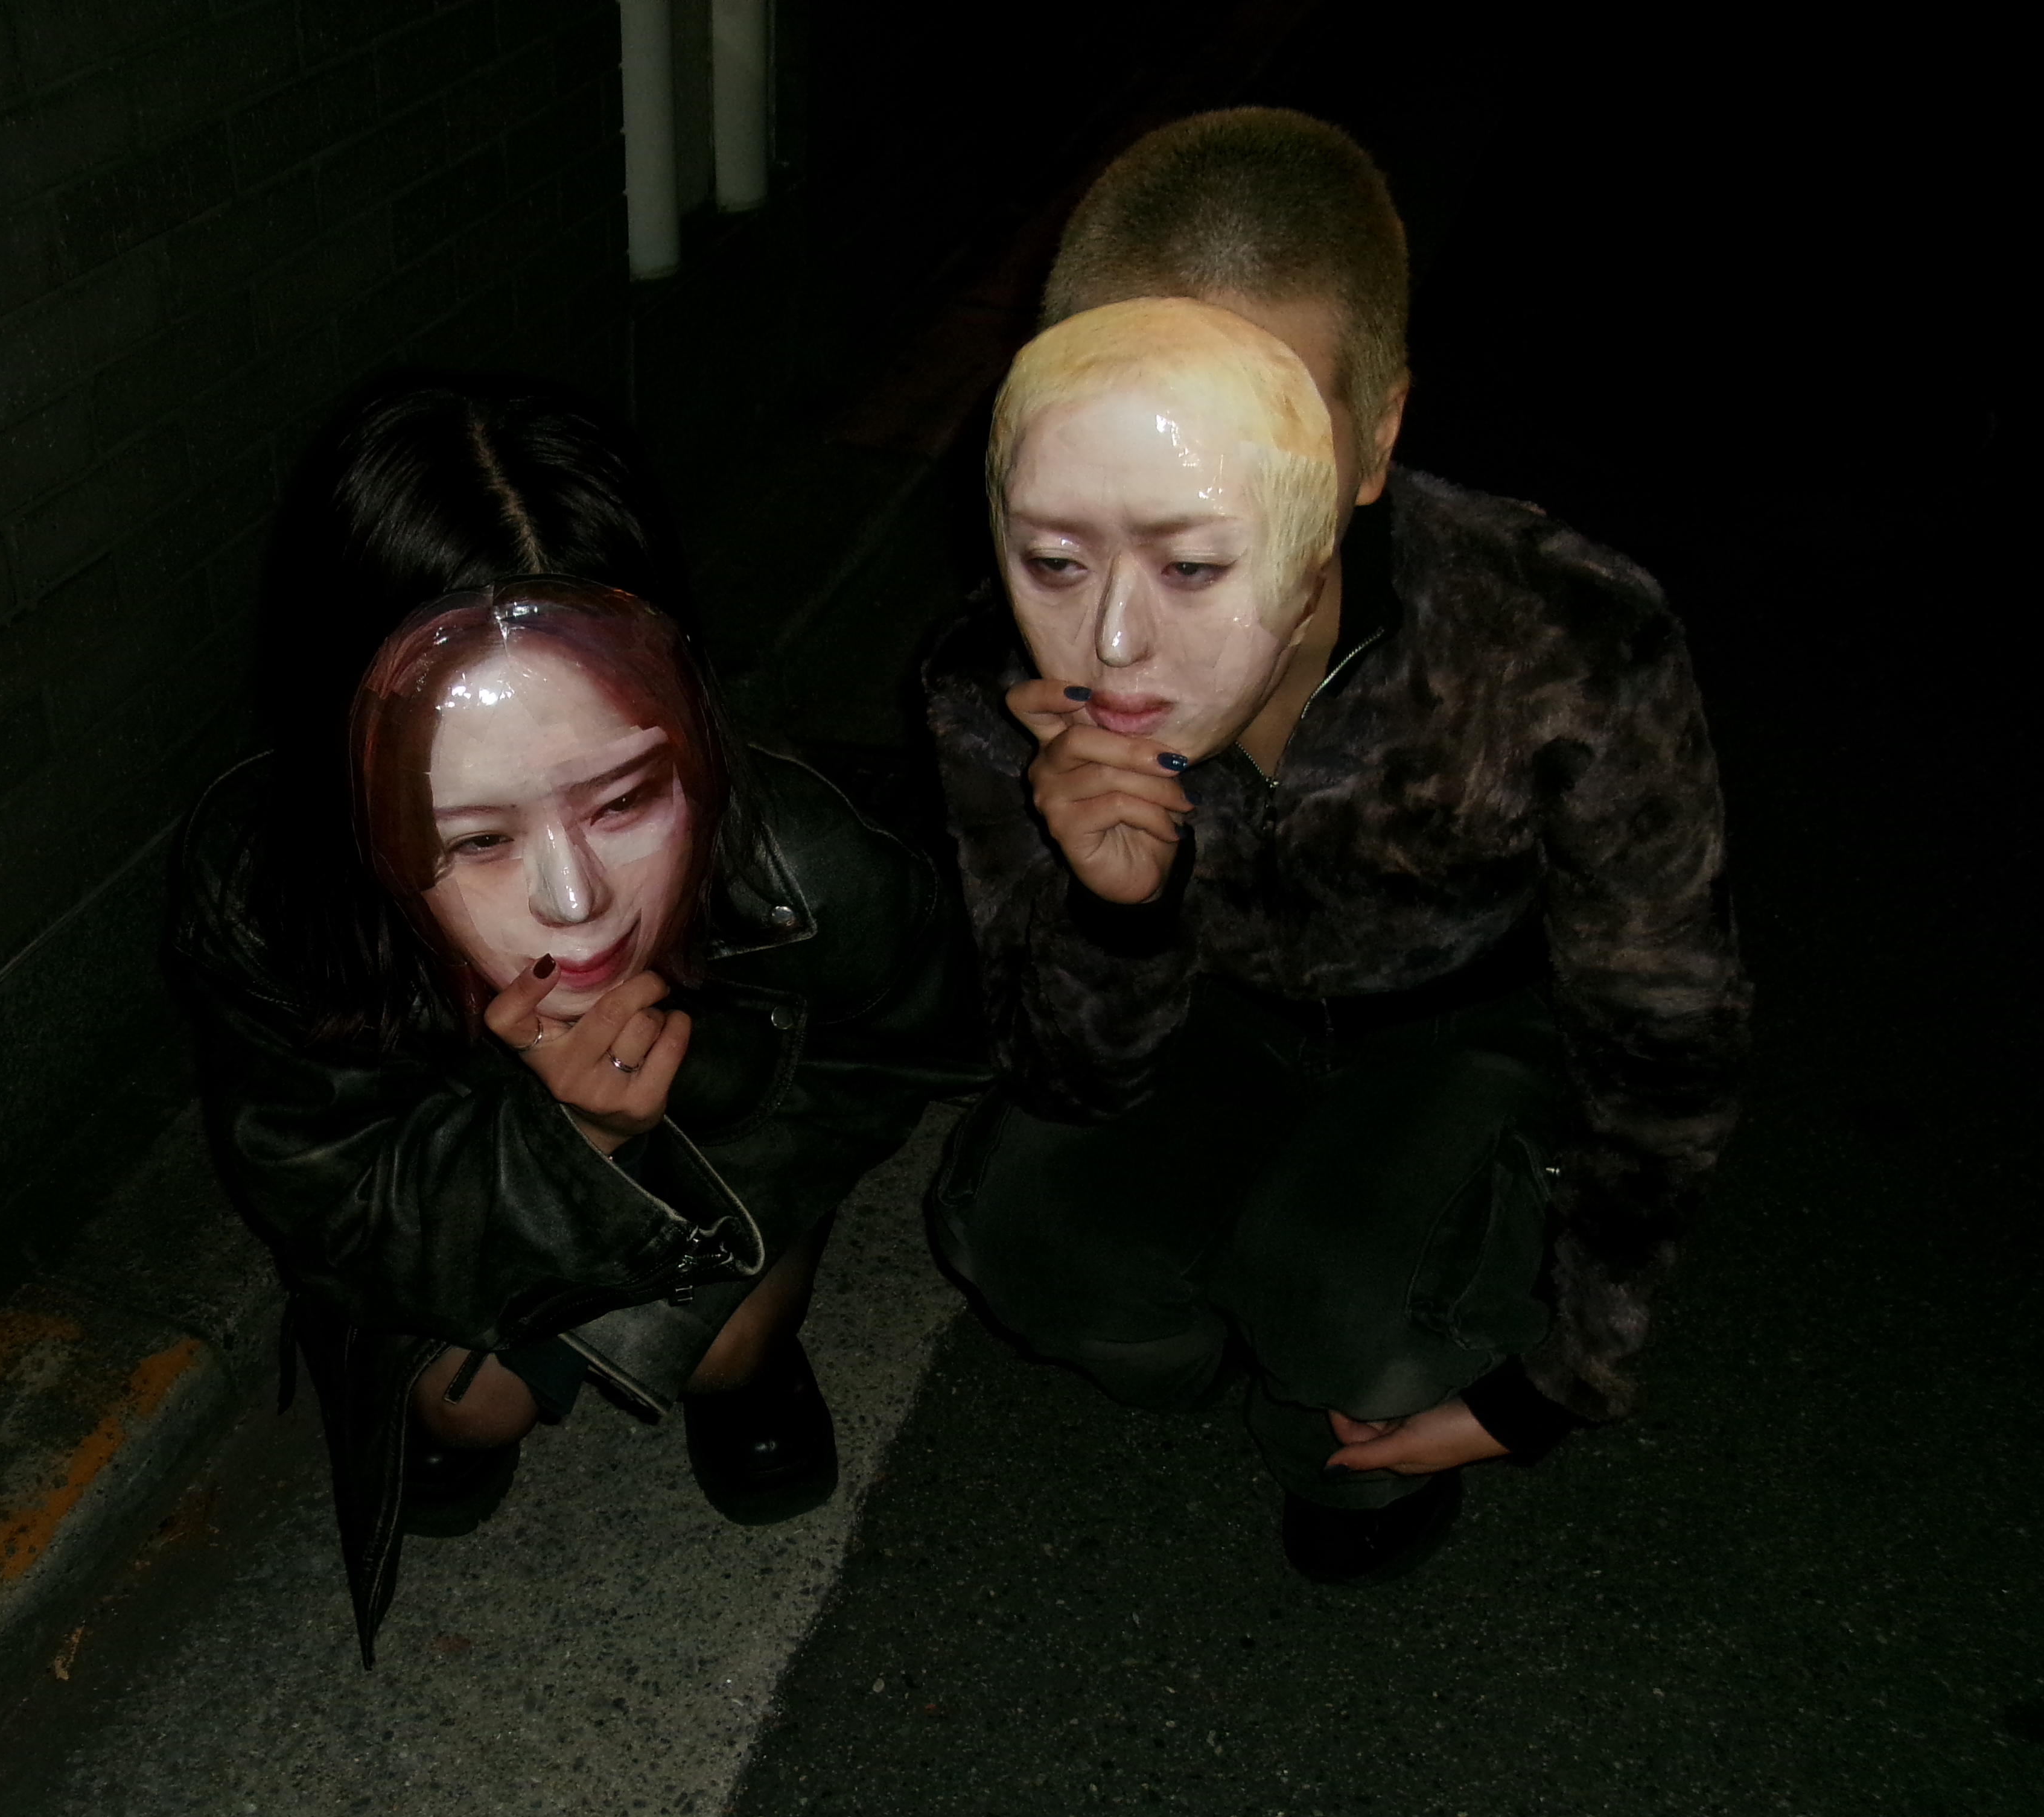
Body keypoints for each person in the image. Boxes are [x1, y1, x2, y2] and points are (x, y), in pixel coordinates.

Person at [925, 110, 1748, 1585]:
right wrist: (1119, 905)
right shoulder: (1002, 670)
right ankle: (1259, 1339)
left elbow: (1667, 1020)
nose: (1118, 630)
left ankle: (1359, 1389)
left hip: (1470, 1030)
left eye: (1268, 433)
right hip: (1219, 1010)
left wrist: (1560, 1373)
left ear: (1374, 439)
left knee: (1341, 1298)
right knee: (1028, 1231)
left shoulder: (1563, 632)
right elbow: (1065, 1076)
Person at [165, 374, 983, 1659]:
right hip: (469, 1173)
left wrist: (730, 1141)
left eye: (622, 801)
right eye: (477, 837)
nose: (575, 902)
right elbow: (331, 1200)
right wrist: (570, 1148)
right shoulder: (270, 889)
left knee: (724, 1346)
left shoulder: (802, 859)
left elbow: (913, 1041)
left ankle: (753, 1334)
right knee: (465, 1405)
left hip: (722, 1151)